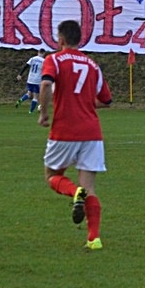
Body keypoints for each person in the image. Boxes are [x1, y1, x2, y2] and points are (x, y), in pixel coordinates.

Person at [37, 19, 114, 251]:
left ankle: (74, 192)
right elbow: (107, 101)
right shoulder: (92, 65)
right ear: (80, 39)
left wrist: (43, 113)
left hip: (64, 130)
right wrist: (85, 103)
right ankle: (94, 239)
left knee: (52, 176)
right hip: (92, 133)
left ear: (60, 39)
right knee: (90, 187)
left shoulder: (54, 59)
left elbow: (45, 85)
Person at [15, 49, 46, 113]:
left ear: (38, 52)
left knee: (29, 93)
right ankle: (31, 111)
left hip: (30, 79)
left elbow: (26, 66)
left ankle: (20, 100)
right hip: (37, 80)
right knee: (35, 96)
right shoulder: (44, 61)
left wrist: (20, 74)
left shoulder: (32, 58)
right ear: (44, 53)